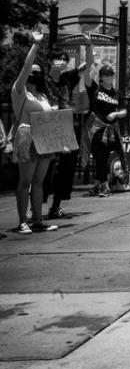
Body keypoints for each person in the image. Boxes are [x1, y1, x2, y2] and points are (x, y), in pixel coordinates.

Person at [11, 31, 59, 234]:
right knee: (25, 181)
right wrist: (36, 45)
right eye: (34, 71)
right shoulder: (20, 91)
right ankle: (23, 221)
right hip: (28, 135)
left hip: (44, 138)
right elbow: (25, 67)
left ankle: (38, 219)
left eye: (38, 71)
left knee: (39, 182)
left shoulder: (41, 95)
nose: (35, 74)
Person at [81, 33, 128, 198]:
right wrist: (89, 46)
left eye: (111, 75)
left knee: (108, 157)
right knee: (100, 156)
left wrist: (115, 113)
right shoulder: (95, 89)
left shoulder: (117, 93)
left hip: (112, 130)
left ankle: (98, 185)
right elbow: (87, 71)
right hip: (96, 128)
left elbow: (124, 111)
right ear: (100, 77)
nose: (109, 77)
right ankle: (104, 186)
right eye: (106, 75)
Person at [44, 46, 84, 218]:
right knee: (45, 169)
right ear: (49, 61)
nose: (62, 62)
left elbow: (86, 65)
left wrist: (88, 46)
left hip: (67, 127)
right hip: (48, 128)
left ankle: (56, 206)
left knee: (66, 170)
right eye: (58, 58)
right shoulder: (42, 80)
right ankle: (35, 208)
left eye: (65, 59)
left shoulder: (67, 78)